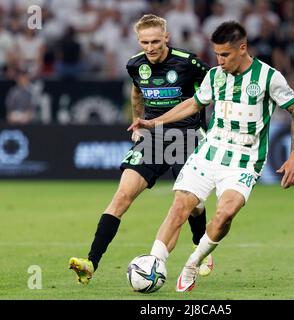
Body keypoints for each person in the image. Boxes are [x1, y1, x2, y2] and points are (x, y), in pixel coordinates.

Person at [129, 21, 294, 292]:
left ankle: (193, 263)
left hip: (244, 160)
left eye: (225, 55)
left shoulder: (269, 77)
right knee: (179, 207)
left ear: (242, 48)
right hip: (209, 153)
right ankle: (153, 264)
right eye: (216, 55)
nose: (219, 61)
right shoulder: (214, 76)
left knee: (225, 215)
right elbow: (192, 104)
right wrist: (153, 123)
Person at [69, 14, 213, 285]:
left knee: (193, 204)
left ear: (166, 38)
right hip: (153, 137)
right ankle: (91, 263)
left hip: (188, 137)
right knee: (122, 196)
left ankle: (199, 245)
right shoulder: (135, 65)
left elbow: (214, 88)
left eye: (156, 41)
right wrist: (137, 126)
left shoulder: (189, 62)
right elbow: (137, 92)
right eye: (145, 42)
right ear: (138, 41)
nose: (151, 47)